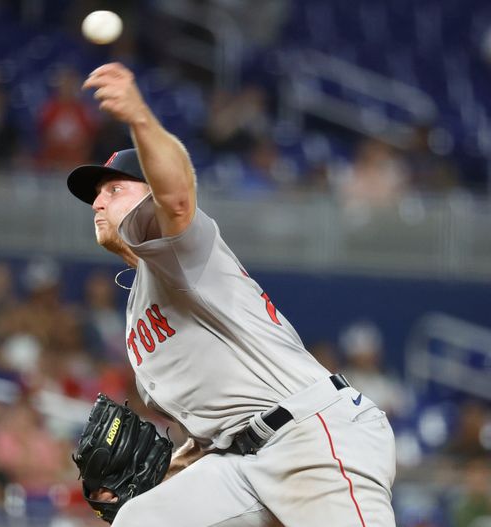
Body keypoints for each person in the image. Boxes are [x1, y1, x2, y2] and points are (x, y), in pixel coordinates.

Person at [65, 62, 396, 526]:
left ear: (148, 196)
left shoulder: (182, 247)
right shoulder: (141, 296)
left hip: (311, 437)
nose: (98, 202)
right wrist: (174, 468)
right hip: (241, 461)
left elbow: (177, 197)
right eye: (96, 194)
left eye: (114, 188)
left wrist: (139, 116)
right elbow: (221, 413)